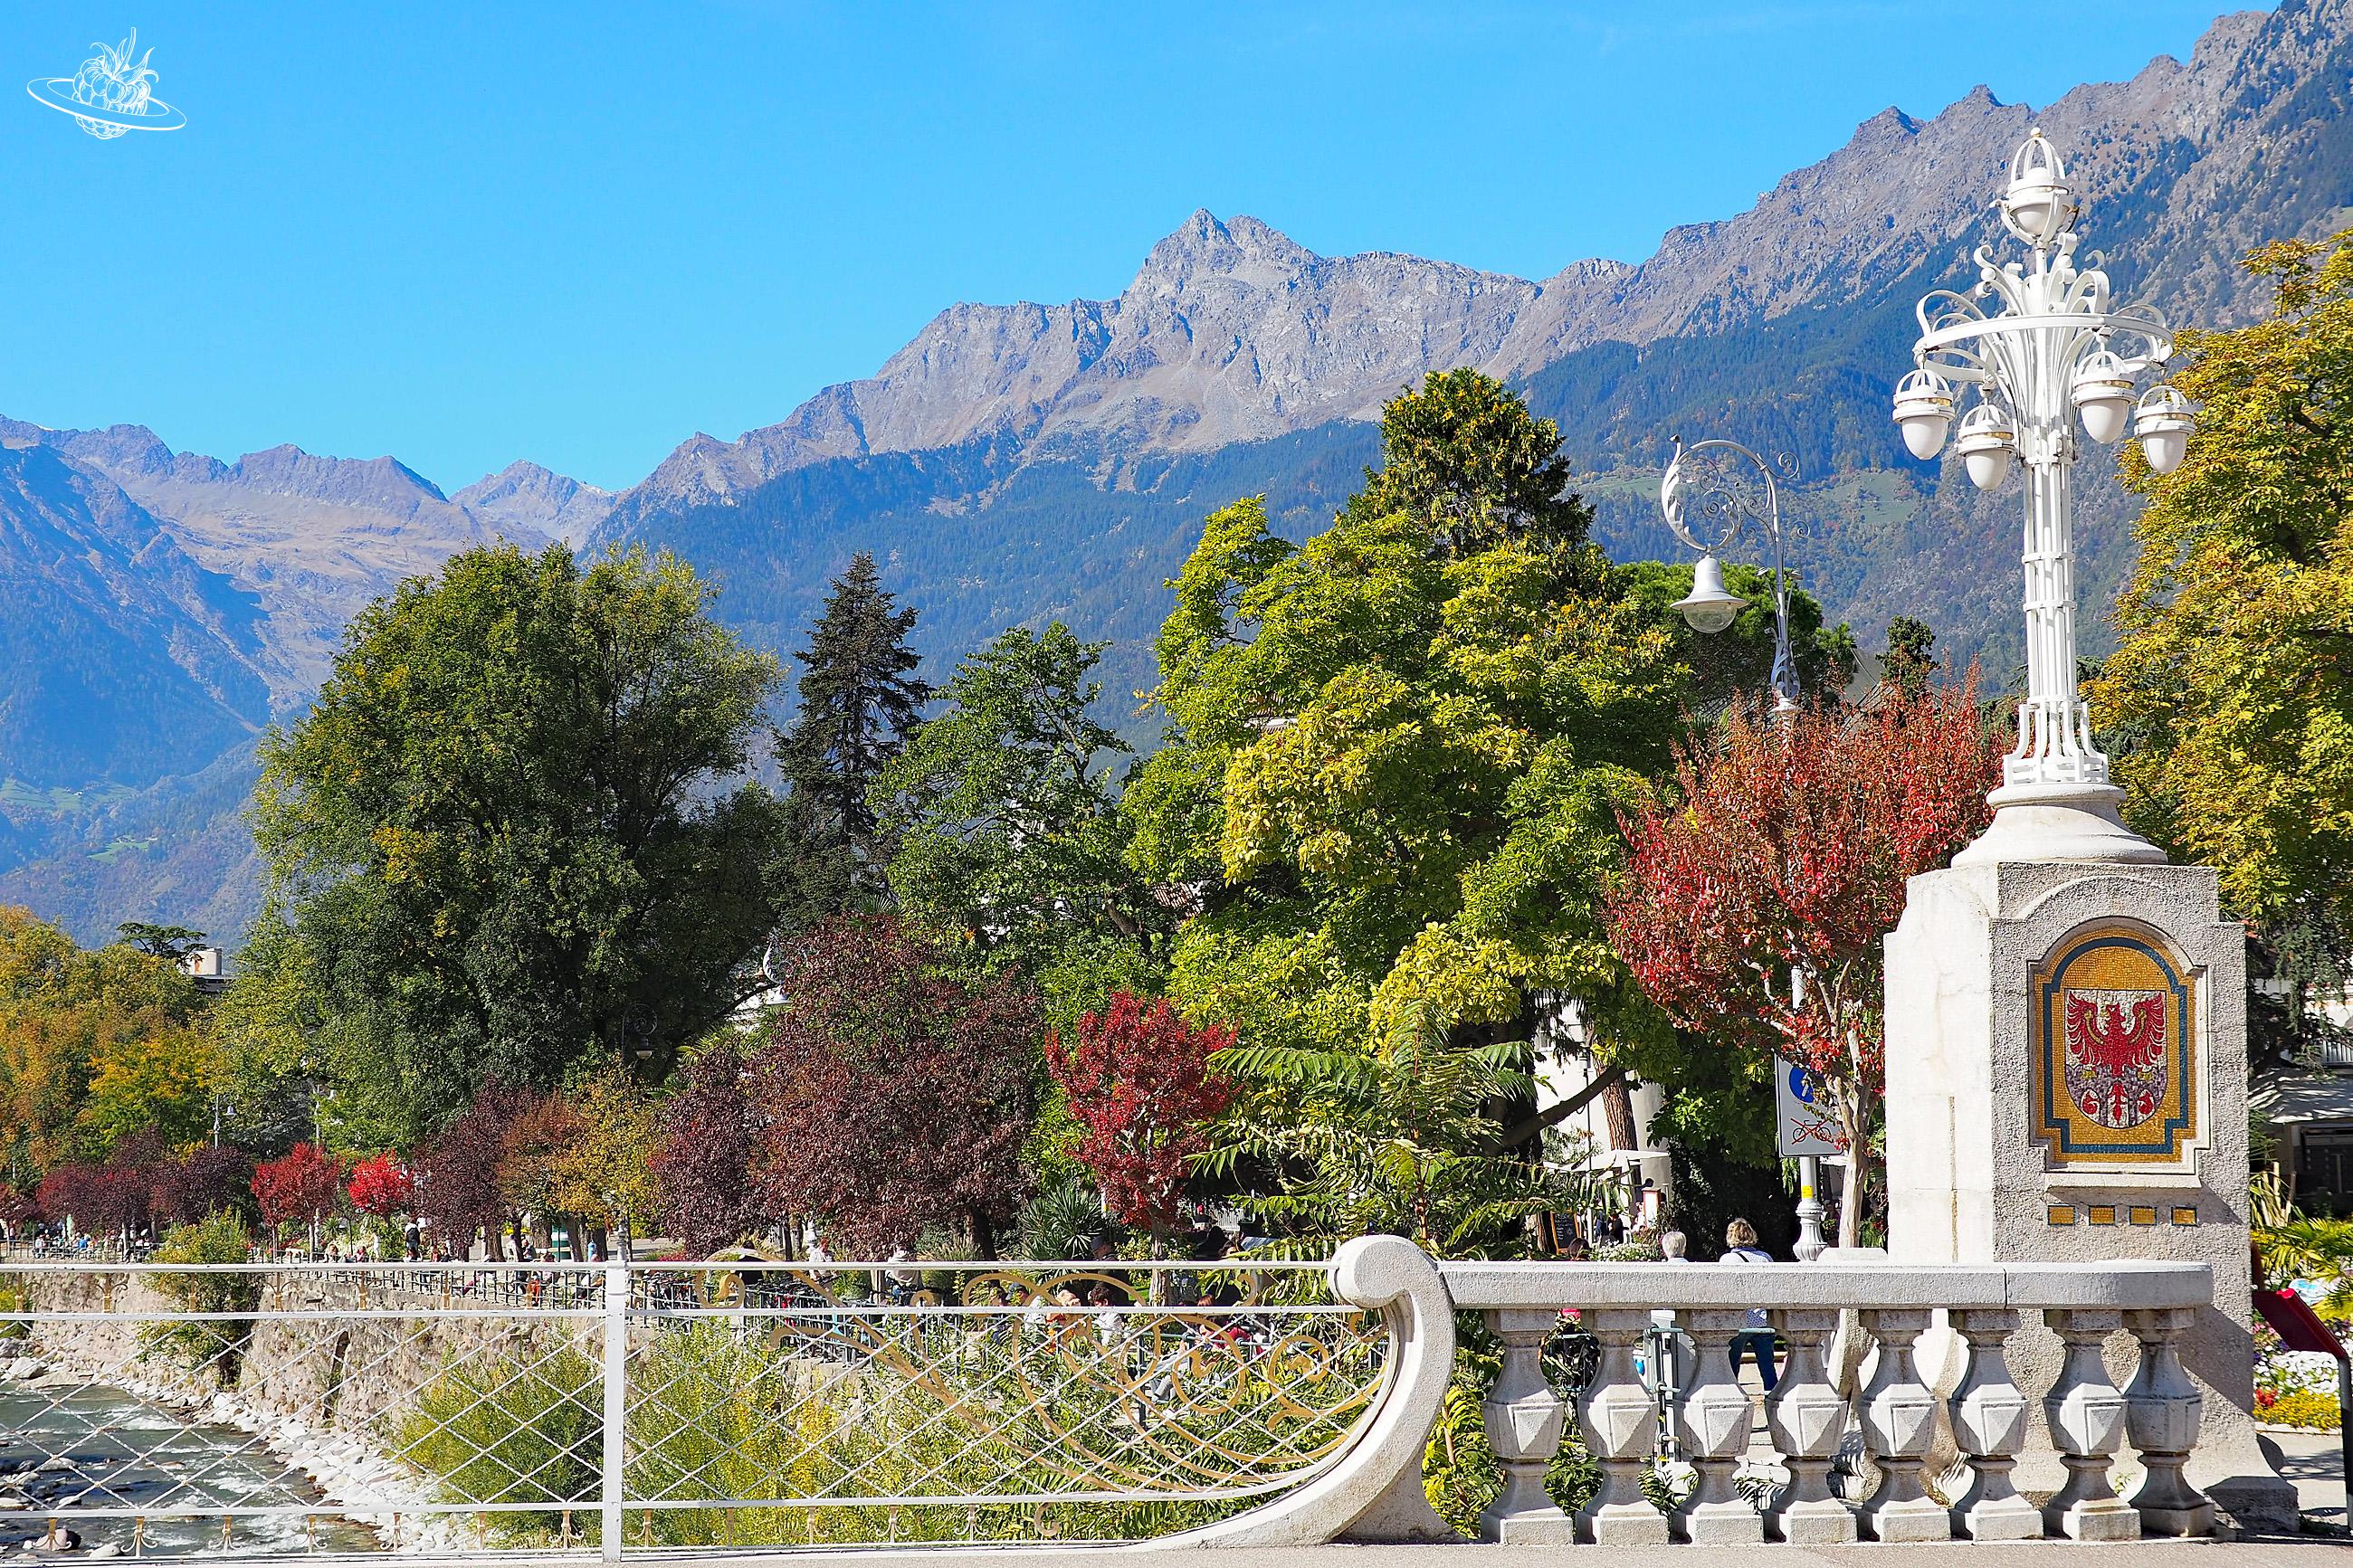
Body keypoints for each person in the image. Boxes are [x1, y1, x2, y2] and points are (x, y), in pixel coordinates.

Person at [1720, 1219, 1777, 1390]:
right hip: (1763, 1321)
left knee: (1732, 1366)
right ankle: (1773, 1402)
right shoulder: (1765, 1258)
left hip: (1740, 1322)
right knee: (1768, 1368)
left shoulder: (1728, 1260)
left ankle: (1734, 1400)